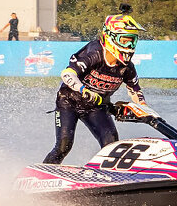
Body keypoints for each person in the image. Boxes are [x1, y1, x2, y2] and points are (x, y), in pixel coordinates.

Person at [42, 13, 154, 164]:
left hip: (96, 107)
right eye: (125, 41)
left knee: (112, 146)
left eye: (132, 42)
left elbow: (135, 91)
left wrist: (145, 109)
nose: (129, 47)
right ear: (110, 37)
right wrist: (83, 90)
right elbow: (67, 74)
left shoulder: (127, 68)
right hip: (68, 103)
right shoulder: (94, 53)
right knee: (64, 146)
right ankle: (43, 174)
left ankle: (111, 178)